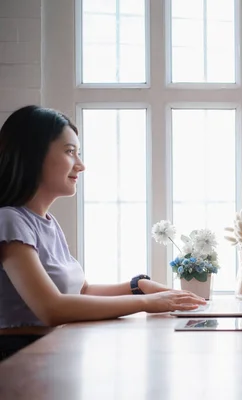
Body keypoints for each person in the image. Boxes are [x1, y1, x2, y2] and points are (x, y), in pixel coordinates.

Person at [0, 105, 206, 361]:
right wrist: (145, 303)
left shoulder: (47, 223)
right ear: (33, 155)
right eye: (70, 152)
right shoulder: (9, 221)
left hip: (52, 352)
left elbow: (81, 291)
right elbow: (51, 308)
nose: (81, 165)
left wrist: (138, 286)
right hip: (20, 359)